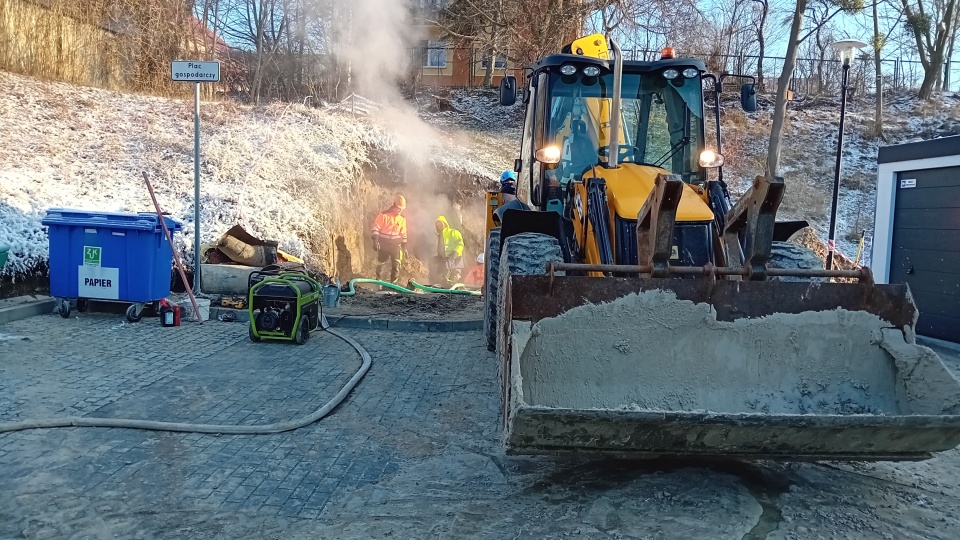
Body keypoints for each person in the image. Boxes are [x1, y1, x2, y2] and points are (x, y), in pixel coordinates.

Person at [371, 195, 407, 285]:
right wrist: (375, 241)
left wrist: (404, 247)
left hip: (396, 246)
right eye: (398, 208)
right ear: (394, 205)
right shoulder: (383, 215)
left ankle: (393, 286)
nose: (400, 211)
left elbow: (404, 234)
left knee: (396, 266)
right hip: (384, 244)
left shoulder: (402, 218)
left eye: (401, 209)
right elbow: (376, 228)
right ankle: (378, 284)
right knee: (381, 264)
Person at [435, 215, 464, 287]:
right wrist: (437, 256)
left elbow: (460, 244)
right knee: (445, 282)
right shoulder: (439, 237)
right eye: (437, 225)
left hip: (455, 261)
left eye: (440, 225)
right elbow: (439, 249)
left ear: (445, 224)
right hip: (446, 263)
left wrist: (455, 254)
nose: (439, 227)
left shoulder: (454, 232)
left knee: (454, 281)